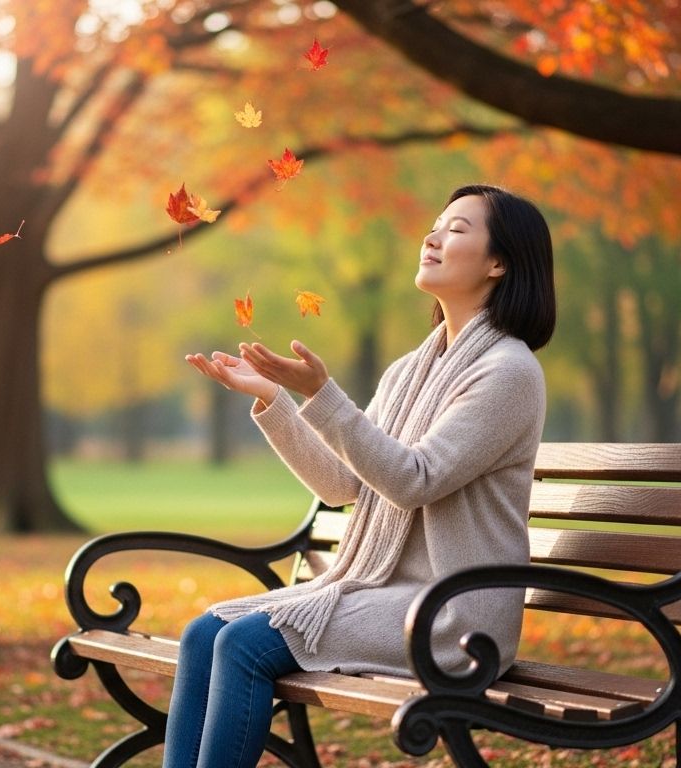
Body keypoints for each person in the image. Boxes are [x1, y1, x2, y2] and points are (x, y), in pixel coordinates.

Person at [172, 184, 555, 768]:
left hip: (455, 616)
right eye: (435, 223)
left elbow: (413, 479)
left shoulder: (509, 373)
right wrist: (276, 400)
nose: (431, 237)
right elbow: (343, 486)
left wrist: (323, 396)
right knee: (204, 635)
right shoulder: (410, 370)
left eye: (456, 229)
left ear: (499, 262)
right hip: (388, 594)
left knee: (245, 646)